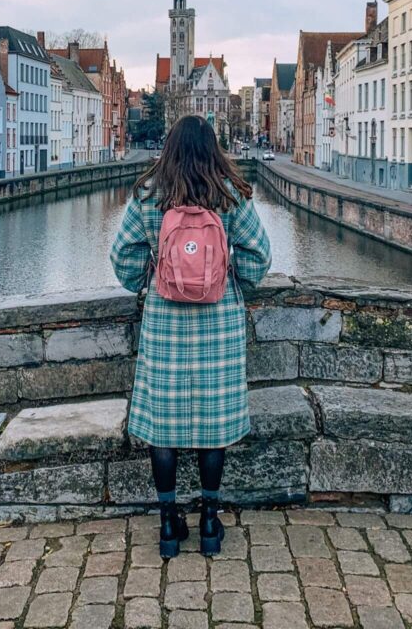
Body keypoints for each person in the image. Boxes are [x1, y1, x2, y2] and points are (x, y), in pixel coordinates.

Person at [111, 115, 271, 558]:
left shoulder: (149, 195)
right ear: (213, 150)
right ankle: (210, 524)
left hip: (164, 323)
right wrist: (227, 276)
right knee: (212, 425)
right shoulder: (229, 195)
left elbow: (122, 256)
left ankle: (167, 525)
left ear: (170, 149)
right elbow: (259, 257)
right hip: (218, 324)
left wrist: (151, 276)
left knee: (163, 426)